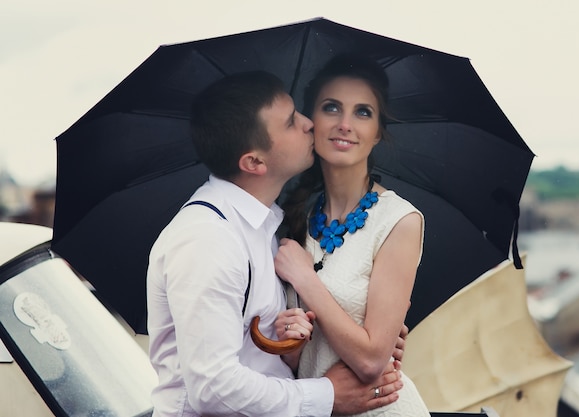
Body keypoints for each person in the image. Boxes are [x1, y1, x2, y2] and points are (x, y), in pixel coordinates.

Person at [146, 70, 405, 417]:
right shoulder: (208, 238)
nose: (308, 123)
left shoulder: (267, 227)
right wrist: (326, 395)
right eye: (289, 123)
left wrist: (358, 335)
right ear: (254, 161)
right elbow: (213, 388)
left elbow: (268, 349)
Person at [274, 54, 430, 416]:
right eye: (331, 108)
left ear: (378, 132)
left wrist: (306, 280)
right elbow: (299, 363)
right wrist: (290, 342)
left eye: (363, 112)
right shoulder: (294, 219)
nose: (345, 124)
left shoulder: (398, 220)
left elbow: (372, 360)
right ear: (311, 120)